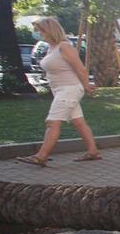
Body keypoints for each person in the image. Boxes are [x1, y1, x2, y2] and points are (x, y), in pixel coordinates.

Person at [16, 17, 100, 166]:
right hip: (60, 90)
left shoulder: (64, 47)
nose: (38, 34)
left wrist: (87, 86)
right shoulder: (51, 48)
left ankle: (41, 156)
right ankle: (93, 151)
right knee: (79, 122)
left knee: (52, 122)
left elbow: (80, 69)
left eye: (40, 31)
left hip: (70, 89)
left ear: (50, 30)